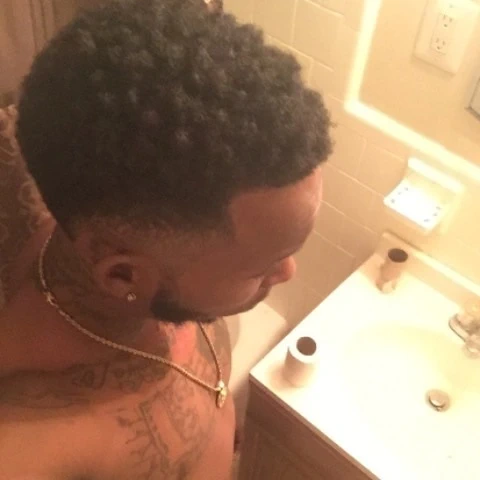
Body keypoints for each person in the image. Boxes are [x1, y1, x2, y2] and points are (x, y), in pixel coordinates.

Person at [0, 0, 332, 478]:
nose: (288, 272)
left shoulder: (141, 236)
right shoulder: (32, 448)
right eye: (260, 268)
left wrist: (217, 428)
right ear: (123, 276)